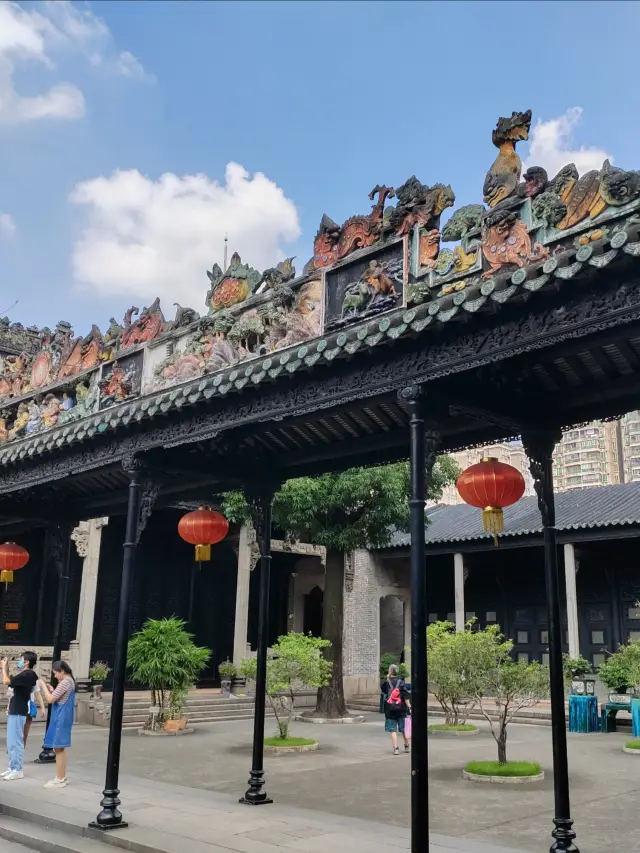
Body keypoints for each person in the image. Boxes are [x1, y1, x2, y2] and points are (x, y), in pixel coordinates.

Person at [1, 651, 39, 780]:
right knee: (11, 741)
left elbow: (6, 680)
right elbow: (11, 680)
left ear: (27, 661)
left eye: (21, 659)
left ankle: (18, 769)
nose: (19, 661)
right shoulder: (23, 675)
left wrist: (2, 668)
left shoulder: (28, 674)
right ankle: (12, 767)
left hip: (19, 710)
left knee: (17, 741)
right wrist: (5, 666)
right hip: (14, 709)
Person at [39, 661, 76, 789]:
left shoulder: (65, 682)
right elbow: (59, 696)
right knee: (60, 748)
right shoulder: (70, 681)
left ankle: (60, 778)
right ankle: (61, 776)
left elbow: (50, 699)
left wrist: (43, 685)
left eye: (55, 673)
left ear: (62, 671)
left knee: (59, 748)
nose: (55, 676)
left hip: (61, 717)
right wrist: (53, 690)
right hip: (64, 717)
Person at [381, 663, 411, 755]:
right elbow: (405, 696)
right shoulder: (401, 682)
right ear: (397, 672)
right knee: (403, 729)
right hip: (401, 709)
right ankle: (406, 746)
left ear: (390, 671)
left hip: (390, 710)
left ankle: (396, 749)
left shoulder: (386, 683)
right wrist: (409, 707)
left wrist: (387, 679)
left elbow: (384, 690)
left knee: (393, 730)